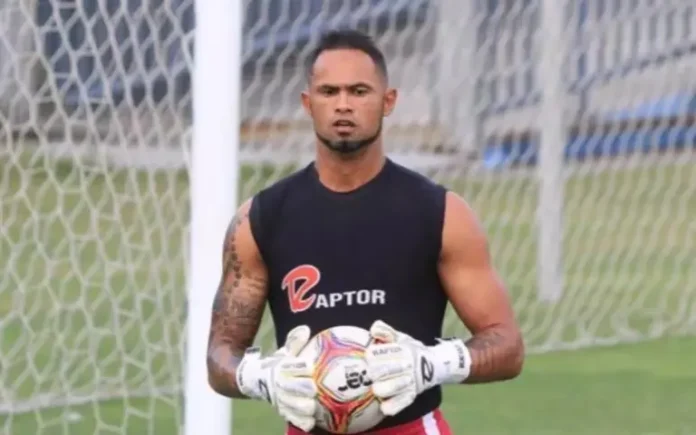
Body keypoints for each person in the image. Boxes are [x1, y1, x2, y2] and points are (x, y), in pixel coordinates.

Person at [206, 29, 525, 435]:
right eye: (329, 92)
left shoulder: (441, 213)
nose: (343, 105)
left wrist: (430, 365)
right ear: (307, 103)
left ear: (388, 101)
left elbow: (507, 346)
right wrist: (261, 377)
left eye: (359, 91)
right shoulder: (260, 219)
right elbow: (220, 357)